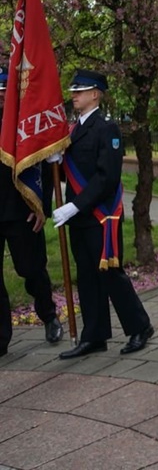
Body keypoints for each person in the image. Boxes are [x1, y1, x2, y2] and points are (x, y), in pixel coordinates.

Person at [54, 69, 153, 359]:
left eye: (80, 91)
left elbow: (106, 177)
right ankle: (94, 335)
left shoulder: (107, 129)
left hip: (101, 215)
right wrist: (55, 163)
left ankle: (140, 327)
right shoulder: (73, 130)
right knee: (86, 276)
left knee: (111, 274)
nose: (74, 95)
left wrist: (75, 205)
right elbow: (72, 173)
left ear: (95, 94)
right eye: (73, 90)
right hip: (79, 217)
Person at [0, 66, 63, 356]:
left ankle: (49, 316)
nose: (1, 96)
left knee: (31, 268)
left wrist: (42, 207)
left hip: (21, 210)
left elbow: (42, 169)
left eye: (4, 90)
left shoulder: (24, 124)